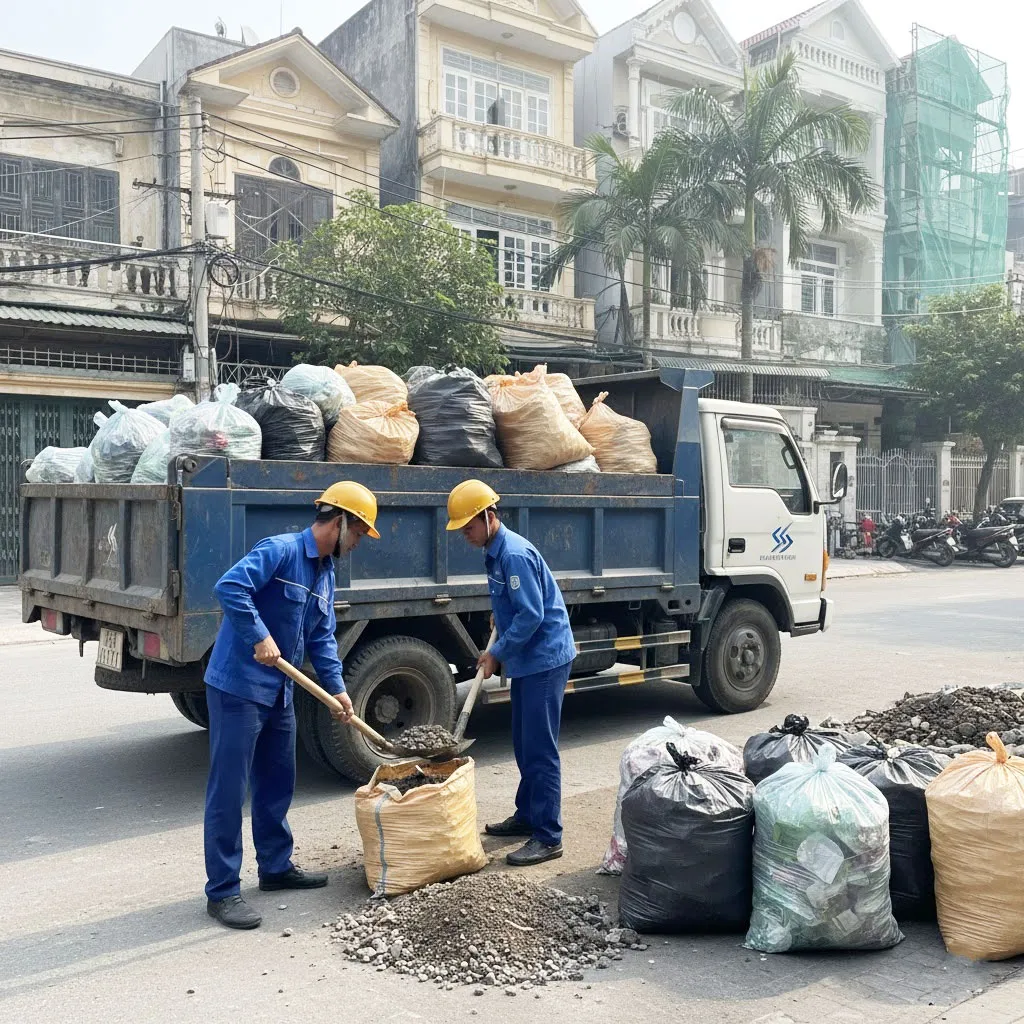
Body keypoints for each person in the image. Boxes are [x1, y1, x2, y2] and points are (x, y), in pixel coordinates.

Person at [203, 481, 380, 929]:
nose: (357, 543)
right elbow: (230, 588)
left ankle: (275, 867)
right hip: (239, 687)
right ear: (339, 522)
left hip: (281, 692)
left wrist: (339, 690)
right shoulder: (279, 551)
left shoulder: (325, 572)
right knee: (229, 789)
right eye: (358, 533)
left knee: (278, 780)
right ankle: (222, 891)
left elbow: (321, 636)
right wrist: (259, 636)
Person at [447, 479, 576, 866]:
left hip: (544, 660)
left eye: (468, 527)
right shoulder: (495, 551)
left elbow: (533, 614)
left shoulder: (514, 554)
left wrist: (495, 653)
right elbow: (517, 606)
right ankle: (527, 816)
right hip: (528, 660)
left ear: (488, 516)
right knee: (523, 742)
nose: (465, 535)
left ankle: (548, 835)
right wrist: (500, 618)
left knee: (539, 749)